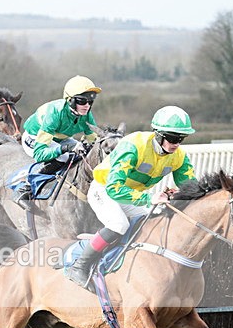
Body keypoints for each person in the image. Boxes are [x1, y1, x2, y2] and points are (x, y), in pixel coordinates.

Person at [65, 105, 197, 288]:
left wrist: (178, 195)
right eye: (173, 138)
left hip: (129, 195)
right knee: (119, 224)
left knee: (151, 222)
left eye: (181, 139)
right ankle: (79, 266)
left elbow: (191, 187)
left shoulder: (178, 156)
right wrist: (149, 199)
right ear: (158, 134)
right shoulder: (134, 145)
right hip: (104, 189)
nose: (176, 144)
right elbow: (114, 188)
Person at [14, 75, 102, 210]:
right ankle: (25, 187)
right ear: (70, 100)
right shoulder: (55, 113)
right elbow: (39, 153)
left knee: (83, 153)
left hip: (59, 139)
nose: (87, 106)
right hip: (35, 137)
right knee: (64, 156)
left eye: (90, 101)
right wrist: (64, 148)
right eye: (82, 101)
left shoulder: (86, 115)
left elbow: (94, 142)